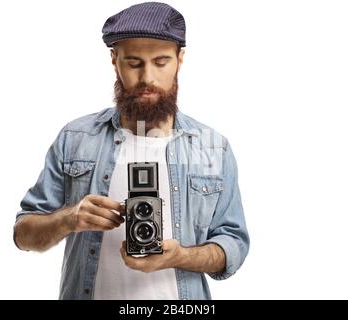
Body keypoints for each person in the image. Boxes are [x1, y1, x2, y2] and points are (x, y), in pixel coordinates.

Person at [14, 2, 249, 300]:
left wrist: (179, 257)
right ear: (114, 59)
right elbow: (23, 234)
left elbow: (234, 245)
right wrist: (69, 218)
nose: (147, 78)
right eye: (134, 63)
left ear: (180, 58)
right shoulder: (75, 138)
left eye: (161, 62)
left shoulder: (213, 146)